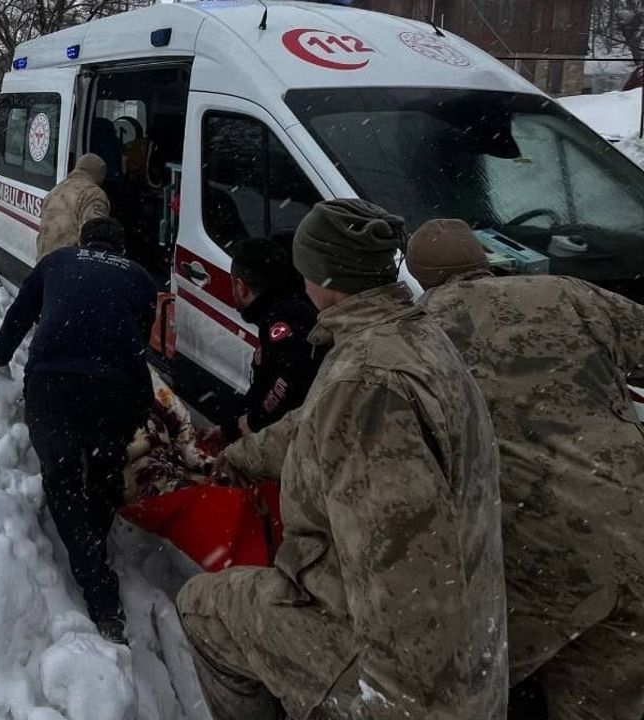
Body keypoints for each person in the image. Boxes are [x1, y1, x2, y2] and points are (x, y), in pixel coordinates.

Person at [177, 200, 508, 720]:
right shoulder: (404, 335)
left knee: (202, 608)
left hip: (408, 682)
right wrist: (239, 457)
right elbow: (311, 426)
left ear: (321, 275)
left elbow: (404, 578)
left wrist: (387, 704)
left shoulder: (368, 387)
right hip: (460, 638)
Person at [406, 218, 644, 720]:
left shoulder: (417, 336)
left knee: (477, 691)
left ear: (420, 276)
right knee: (608, 694)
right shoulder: (568, 294)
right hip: (632, 517)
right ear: (483, 259)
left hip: (539, 560)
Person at [0, 217, 157, 643]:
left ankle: (99, 589)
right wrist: (138, 408)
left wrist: (0, 355)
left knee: (62, 481)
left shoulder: (57, 261)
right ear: (119, 249)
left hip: (52, 383)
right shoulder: (140, 278)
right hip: (116, 389)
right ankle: (93, 547)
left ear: (84, 242)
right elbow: (138, 343)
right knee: (103, 474)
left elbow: (21, 312)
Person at [220, 238, 322, 441]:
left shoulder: (283, 318)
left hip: (300, 441)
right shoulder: (290, 305)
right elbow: (264, 383)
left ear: (241, 287)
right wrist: (230, 428)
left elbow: (290, 381)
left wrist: (253, 422)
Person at [36, 153, 110, 259]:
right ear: (99, 174)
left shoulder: (57, 189)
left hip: (46, 262)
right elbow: (95, 238)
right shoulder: (94, 194)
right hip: (70, 264)